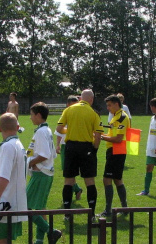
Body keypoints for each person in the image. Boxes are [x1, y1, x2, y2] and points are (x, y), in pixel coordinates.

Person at [55, 89, 103, 223]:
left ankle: (67, 213)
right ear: (91, 100)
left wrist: (70, 129)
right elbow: (98, 136)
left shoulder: (69, 110)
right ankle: (92, 213)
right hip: (87, 148)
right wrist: (94, 149)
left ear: (80, 98)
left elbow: (59, 129)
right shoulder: (94, 114)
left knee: (69, 181)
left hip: (70, 147)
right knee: (89, 181)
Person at [0, 113, 27, 244]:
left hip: (5, 205)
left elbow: (4, 177)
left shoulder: (7, 146)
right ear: (18, 127)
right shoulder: (18, 144)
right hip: (15, 203)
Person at [26, 102, 62, 244]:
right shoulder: (45, 130)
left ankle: (51, 231)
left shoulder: (41, 132)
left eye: (31, 115)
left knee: (25, 207)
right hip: (47, 173)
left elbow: (45, 155)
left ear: (38, 115)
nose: (30, 118)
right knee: (40, 208)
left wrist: (28, 162)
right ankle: (39, 241)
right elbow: (52, 154)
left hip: (41, 174)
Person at [98, 95, 131, 218]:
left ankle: (108, 210)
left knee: (107, 179)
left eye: (109, 105)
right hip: (114, 151)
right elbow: (113, 133)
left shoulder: (122, 117)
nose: (107, 108)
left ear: (116, 104)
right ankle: (125, 208)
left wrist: (101, 137)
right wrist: (104, 134)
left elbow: (118, 138)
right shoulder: (116, 116)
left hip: (116, 151)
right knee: (117, 180)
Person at [54, 95, 83, 201]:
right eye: (72, 105)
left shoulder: (80, 114)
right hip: (65, 145)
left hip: (75, 144)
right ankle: (77, 189)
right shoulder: (65, 114)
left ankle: (71, 193)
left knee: (69, 171)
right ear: (67, 104)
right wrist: (57, 145)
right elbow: (58, 131)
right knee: (66, 171)